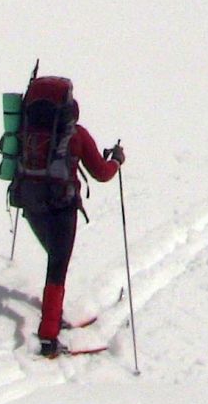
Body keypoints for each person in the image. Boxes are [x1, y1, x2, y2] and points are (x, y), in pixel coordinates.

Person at [7, 72, 124, 356]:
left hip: (31, 204)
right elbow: (101, 173)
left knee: (54, 258)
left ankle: (53, 314)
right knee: (57, 268)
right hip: (61, 208)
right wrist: (117, 161)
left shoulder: (24, 130)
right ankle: (48, 337)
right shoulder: (75, 135)